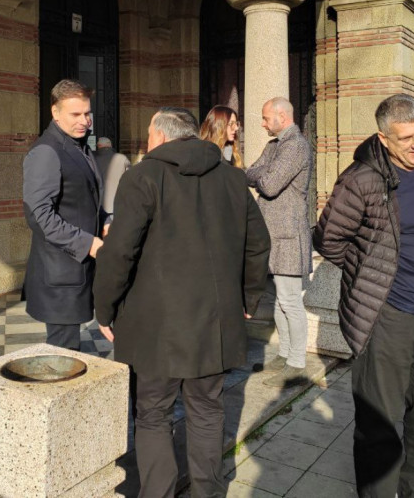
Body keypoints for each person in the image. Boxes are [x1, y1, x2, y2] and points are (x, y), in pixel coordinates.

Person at [94, 107, 270, 498]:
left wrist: (104, 308)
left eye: (149, 133)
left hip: (155, 326)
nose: (147, 140)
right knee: (207, 411)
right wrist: (249, 297)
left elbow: (119, 252)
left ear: (160, 135)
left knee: (153, 413)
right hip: (213, 323)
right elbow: (258, 244)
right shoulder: (232, 178)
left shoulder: (142, 176)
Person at [313, 93, 414, 498]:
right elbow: (328, 239)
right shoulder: (362, 179)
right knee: (379, 421)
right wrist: (372, 273)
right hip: (389, 316)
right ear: (383, 138)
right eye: (405, 138)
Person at [22, 79, 106, 350]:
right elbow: (39, 216)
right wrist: (88, 243)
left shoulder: (78, 146)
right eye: (76, 114)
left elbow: (84, 200)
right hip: (60, 276)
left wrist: (106, 221)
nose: (85, 121)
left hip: (78, 272)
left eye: (87, 113)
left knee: (72, 353)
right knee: (63, 354)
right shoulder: (46, 151)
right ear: (55, 113)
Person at [245, 97, 313, 387]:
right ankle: (285, 354)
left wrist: (264, 173)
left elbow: (270, 185)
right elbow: (249, 172)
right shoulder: (274, 146)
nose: (262, 124)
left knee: (289, 301)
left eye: (265, 118)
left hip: (288, 234)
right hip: (272, 234)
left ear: (282, 117)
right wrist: (265, 172)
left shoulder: (296, 145)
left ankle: (296, 364)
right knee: (278, 300)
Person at [94, 136, 130, 216]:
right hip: (117, 204)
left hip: (97, 205)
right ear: (110, 145)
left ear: (98, 146)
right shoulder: (122, 158)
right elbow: (130, 180)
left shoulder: (92, 159)